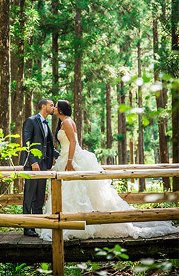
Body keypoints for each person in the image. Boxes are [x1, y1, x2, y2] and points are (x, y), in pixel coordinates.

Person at [40, 100, 178, 241]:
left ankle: (79, 222)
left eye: (56, 106)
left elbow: (73, 142)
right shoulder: (64, 122)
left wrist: (69, 162)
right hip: (65, 157)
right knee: (69, 191)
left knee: (74, 189)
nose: (54, 109)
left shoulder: (67, 122)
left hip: (72, 159)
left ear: (61, 110)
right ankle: (69, 221)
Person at [19, 98, 59, 237]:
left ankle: (38, 225)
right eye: (51, 105)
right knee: (29, 196)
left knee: (40, 196)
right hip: (32, 165)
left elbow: (49, 147)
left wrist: (62, 156)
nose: (53, 107)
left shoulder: (46, 124)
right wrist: (33, 162)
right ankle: (27, 227)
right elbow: (27, 143)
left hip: (43, 166)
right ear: (43, 106)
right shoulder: (30, 121)